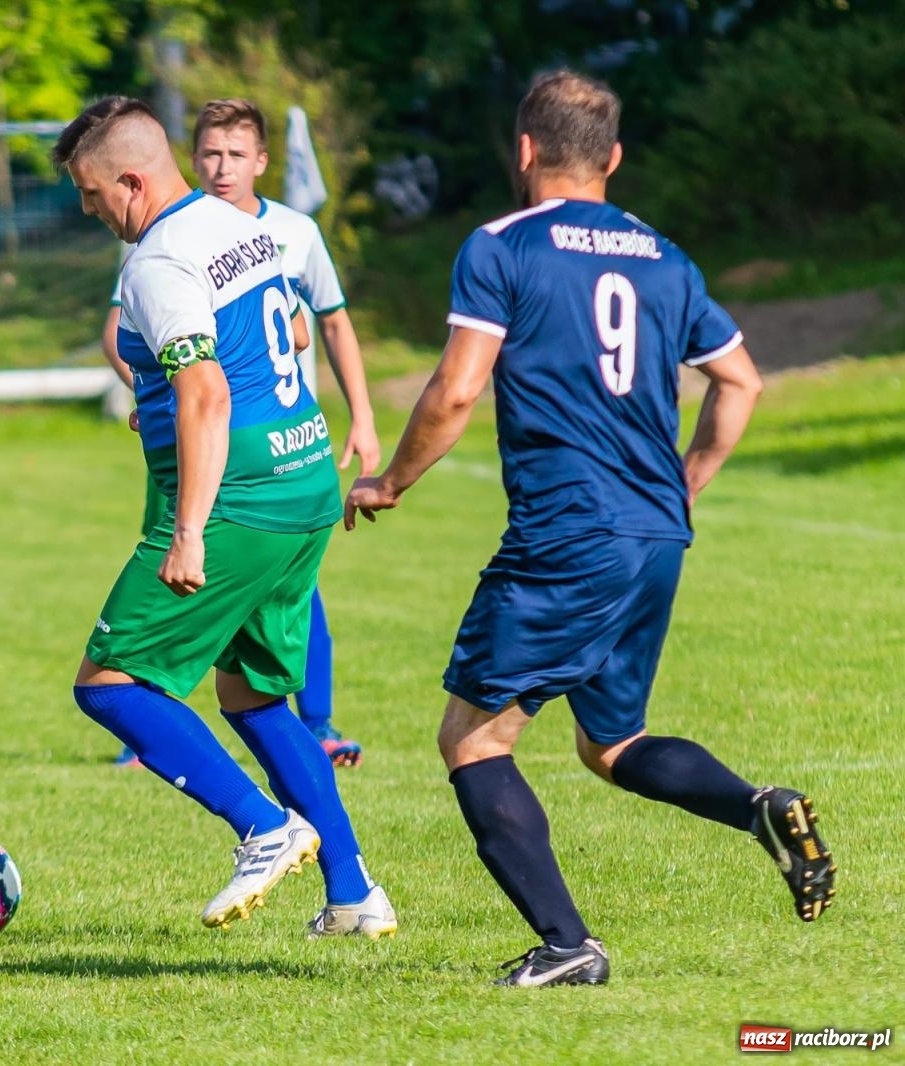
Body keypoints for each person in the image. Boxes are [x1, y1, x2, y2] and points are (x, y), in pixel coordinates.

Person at [344, 70, 835, 986]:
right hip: (653, 535)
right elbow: (742, 383)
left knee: (474, 741)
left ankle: (569, 948)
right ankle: (760, 808)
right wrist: (689, 480)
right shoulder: (668, 259)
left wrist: (390, 481)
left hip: (565, 534)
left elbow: (456, 389)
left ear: (523, 152)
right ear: (612, 158)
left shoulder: (501, 248)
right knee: (610, 744)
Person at [59, 97, 395, 938]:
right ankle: (353, 891)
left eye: (93, 194)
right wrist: (161, 404)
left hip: (236, 498)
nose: (89, 210)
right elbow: (259, 347)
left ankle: (263, 827)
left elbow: (207, 390)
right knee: (254, 697)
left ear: (132, 180)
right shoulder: (237, 222)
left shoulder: (158, 258)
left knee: (110, 682)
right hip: (303, 475)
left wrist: (187, 531)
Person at [103, 98, 378, 770]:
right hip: (261, 454)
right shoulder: (186, 232)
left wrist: (363, 418)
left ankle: (299, 745)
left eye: (235, 154)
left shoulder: (274, 232)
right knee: (246, 684)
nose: (221, 167)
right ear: (191, 159)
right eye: (210, 154)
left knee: (115, 675)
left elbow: (318, 326)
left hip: (251, 455)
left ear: (262, 161)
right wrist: (158, 387)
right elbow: (126, 333)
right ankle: (345, 868)